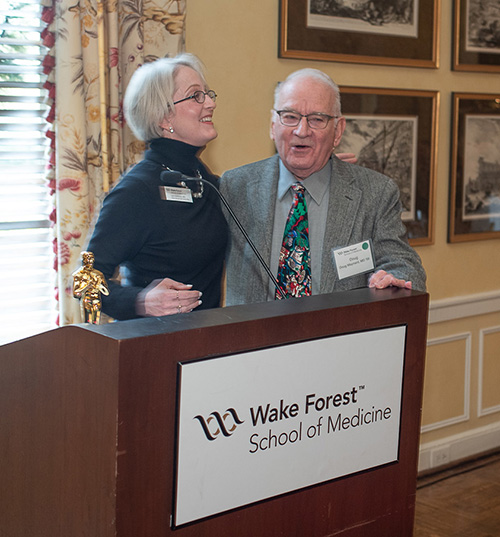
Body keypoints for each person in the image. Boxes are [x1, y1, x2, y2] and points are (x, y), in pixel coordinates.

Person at [219, 68, 426, 306]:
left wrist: (394, 280)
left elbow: (404, 265)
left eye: (317, 119)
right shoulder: (234, 187)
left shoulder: (375, 193)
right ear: (273, 125)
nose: (301, 131)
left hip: (338, 339)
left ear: (337, 131)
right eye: (290, 116)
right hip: (253, 340)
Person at [86, 54, 228, 320]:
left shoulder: (205, 180)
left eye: (208, 94)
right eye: (196, 96)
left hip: (207, 347)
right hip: (153, 349)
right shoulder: (136, 191)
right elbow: (86, 283)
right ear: (164, 117)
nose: (211, 103)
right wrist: (141, 301)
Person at [72, 251, 109, 324]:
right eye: (88, 259)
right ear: (84, 260)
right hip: (87, 300)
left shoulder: (98, 274)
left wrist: (99, 286)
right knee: (88, 324)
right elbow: (75, 294)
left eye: (92, 259)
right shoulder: (78, 275)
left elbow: (106, 292)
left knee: (96, 323)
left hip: (97, 300)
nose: (91, 261)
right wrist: (86, 287)